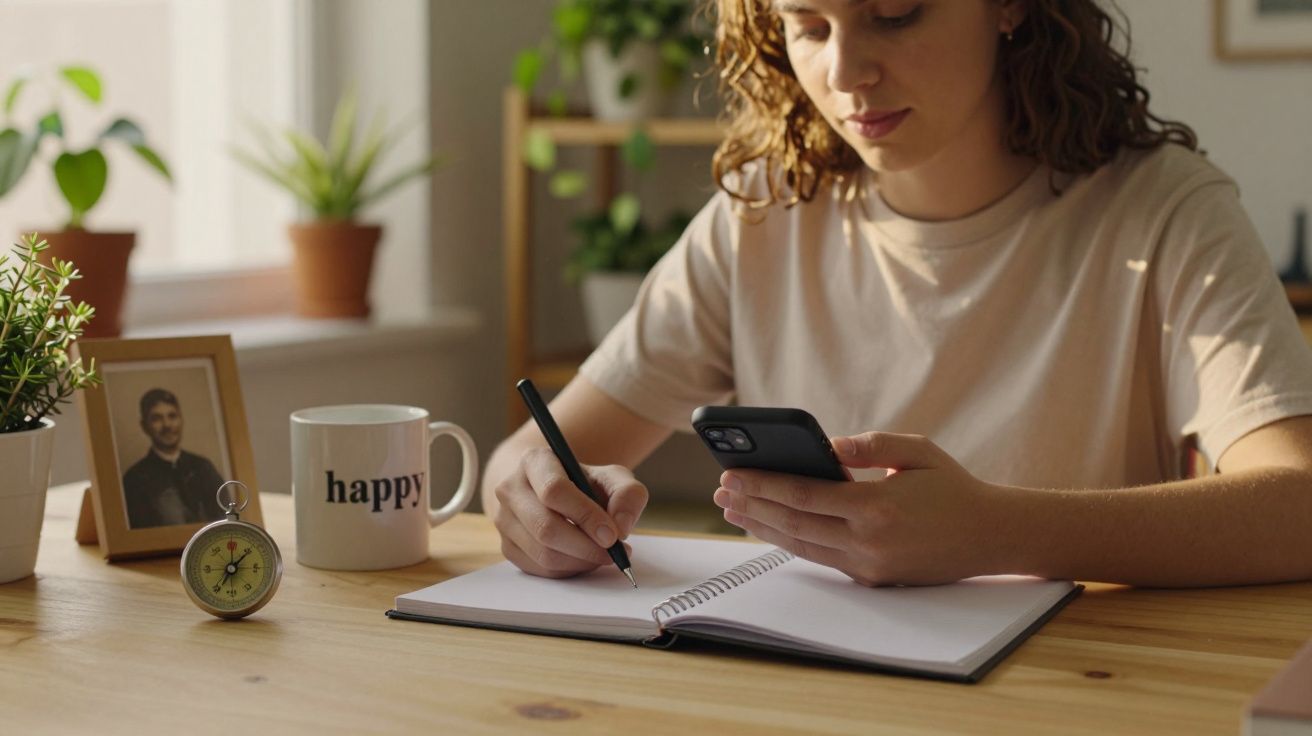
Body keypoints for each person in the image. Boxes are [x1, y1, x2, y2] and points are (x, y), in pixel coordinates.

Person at [482, 0, 1312, 587]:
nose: (846, 72)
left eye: (896, 14)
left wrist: (994, 532)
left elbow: (1297, 505)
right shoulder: (762, 214)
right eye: (808, 26)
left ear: (1009, 7)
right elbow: (534, 451)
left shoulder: (1165, 212)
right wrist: (530, 500)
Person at [122, 388, 226, 529]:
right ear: (144, 426)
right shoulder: (134, 480)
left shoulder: (203, 468)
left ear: (181, 420)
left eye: (172, 416)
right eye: (157, 418)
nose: (167, 425)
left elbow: (226, 518)